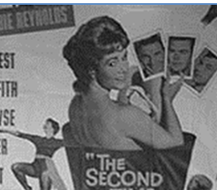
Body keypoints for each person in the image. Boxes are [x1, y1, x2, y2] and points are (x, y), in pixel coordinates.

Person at [61, 15, 184, 151]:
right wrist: (166, 98)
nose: (124, 68)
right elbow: (176, 142)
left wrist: (125, 90)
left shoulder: (75, 105)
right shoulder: (126, 116)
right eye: (112, 63)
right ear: (92, 70)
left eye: (124, 57)